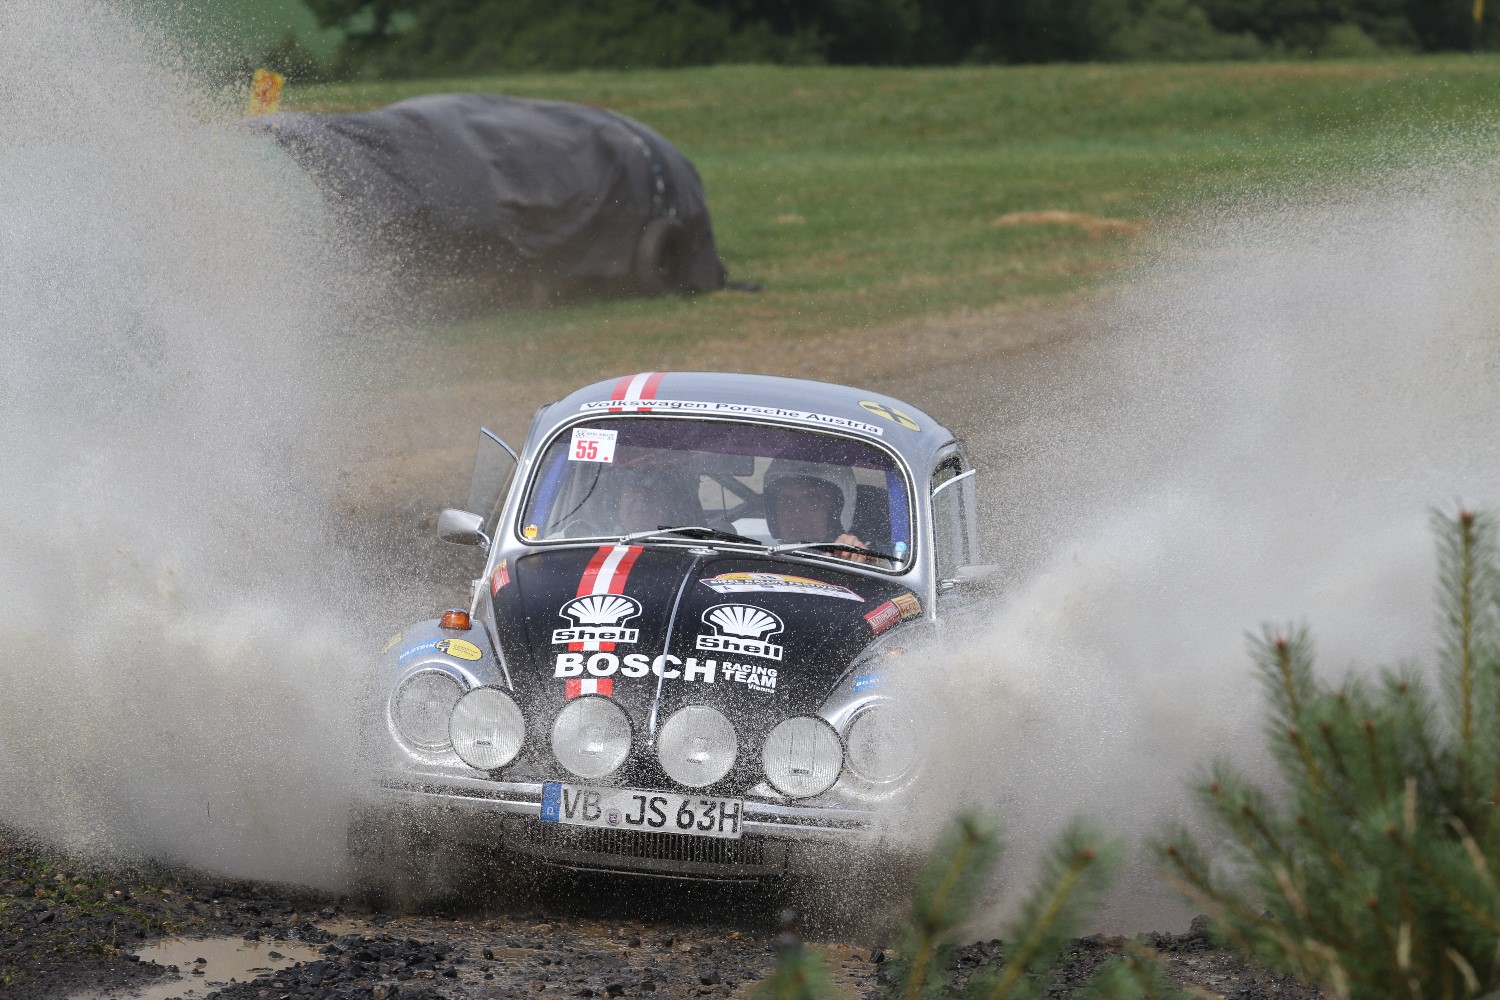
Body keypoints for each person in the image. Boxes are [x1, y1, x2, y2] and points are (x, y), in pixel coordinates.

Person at [764, 473, 872, 563]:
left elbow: (877, 565)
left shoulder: (845, 555)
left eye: (812, 502)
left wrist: (859, 554)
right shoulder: (760, 555)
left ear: (833, 513)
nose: (797, 514)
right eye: (788, 502)